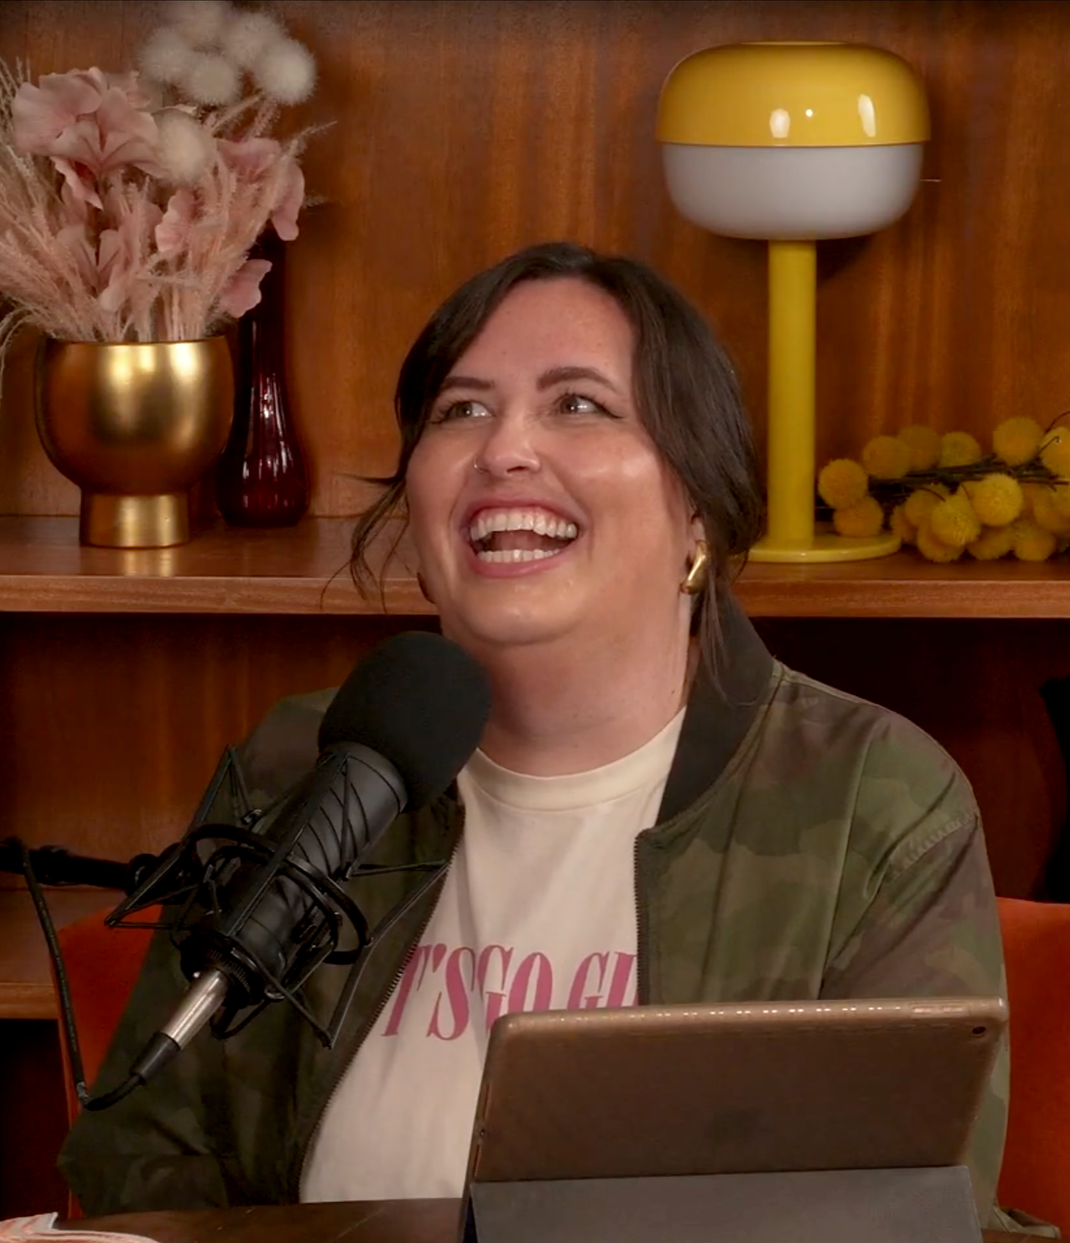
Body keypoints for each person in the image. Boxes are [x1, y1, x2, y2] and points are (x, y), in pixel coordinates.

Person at [60, 242, 1011, 1224]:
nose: (504, 448)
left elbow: (915, 1212)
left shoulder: (869, 799)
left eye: (580, 404)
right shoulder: (303, 765)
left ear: (700, 514)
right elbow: (142, 1153)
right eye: (459, 411)